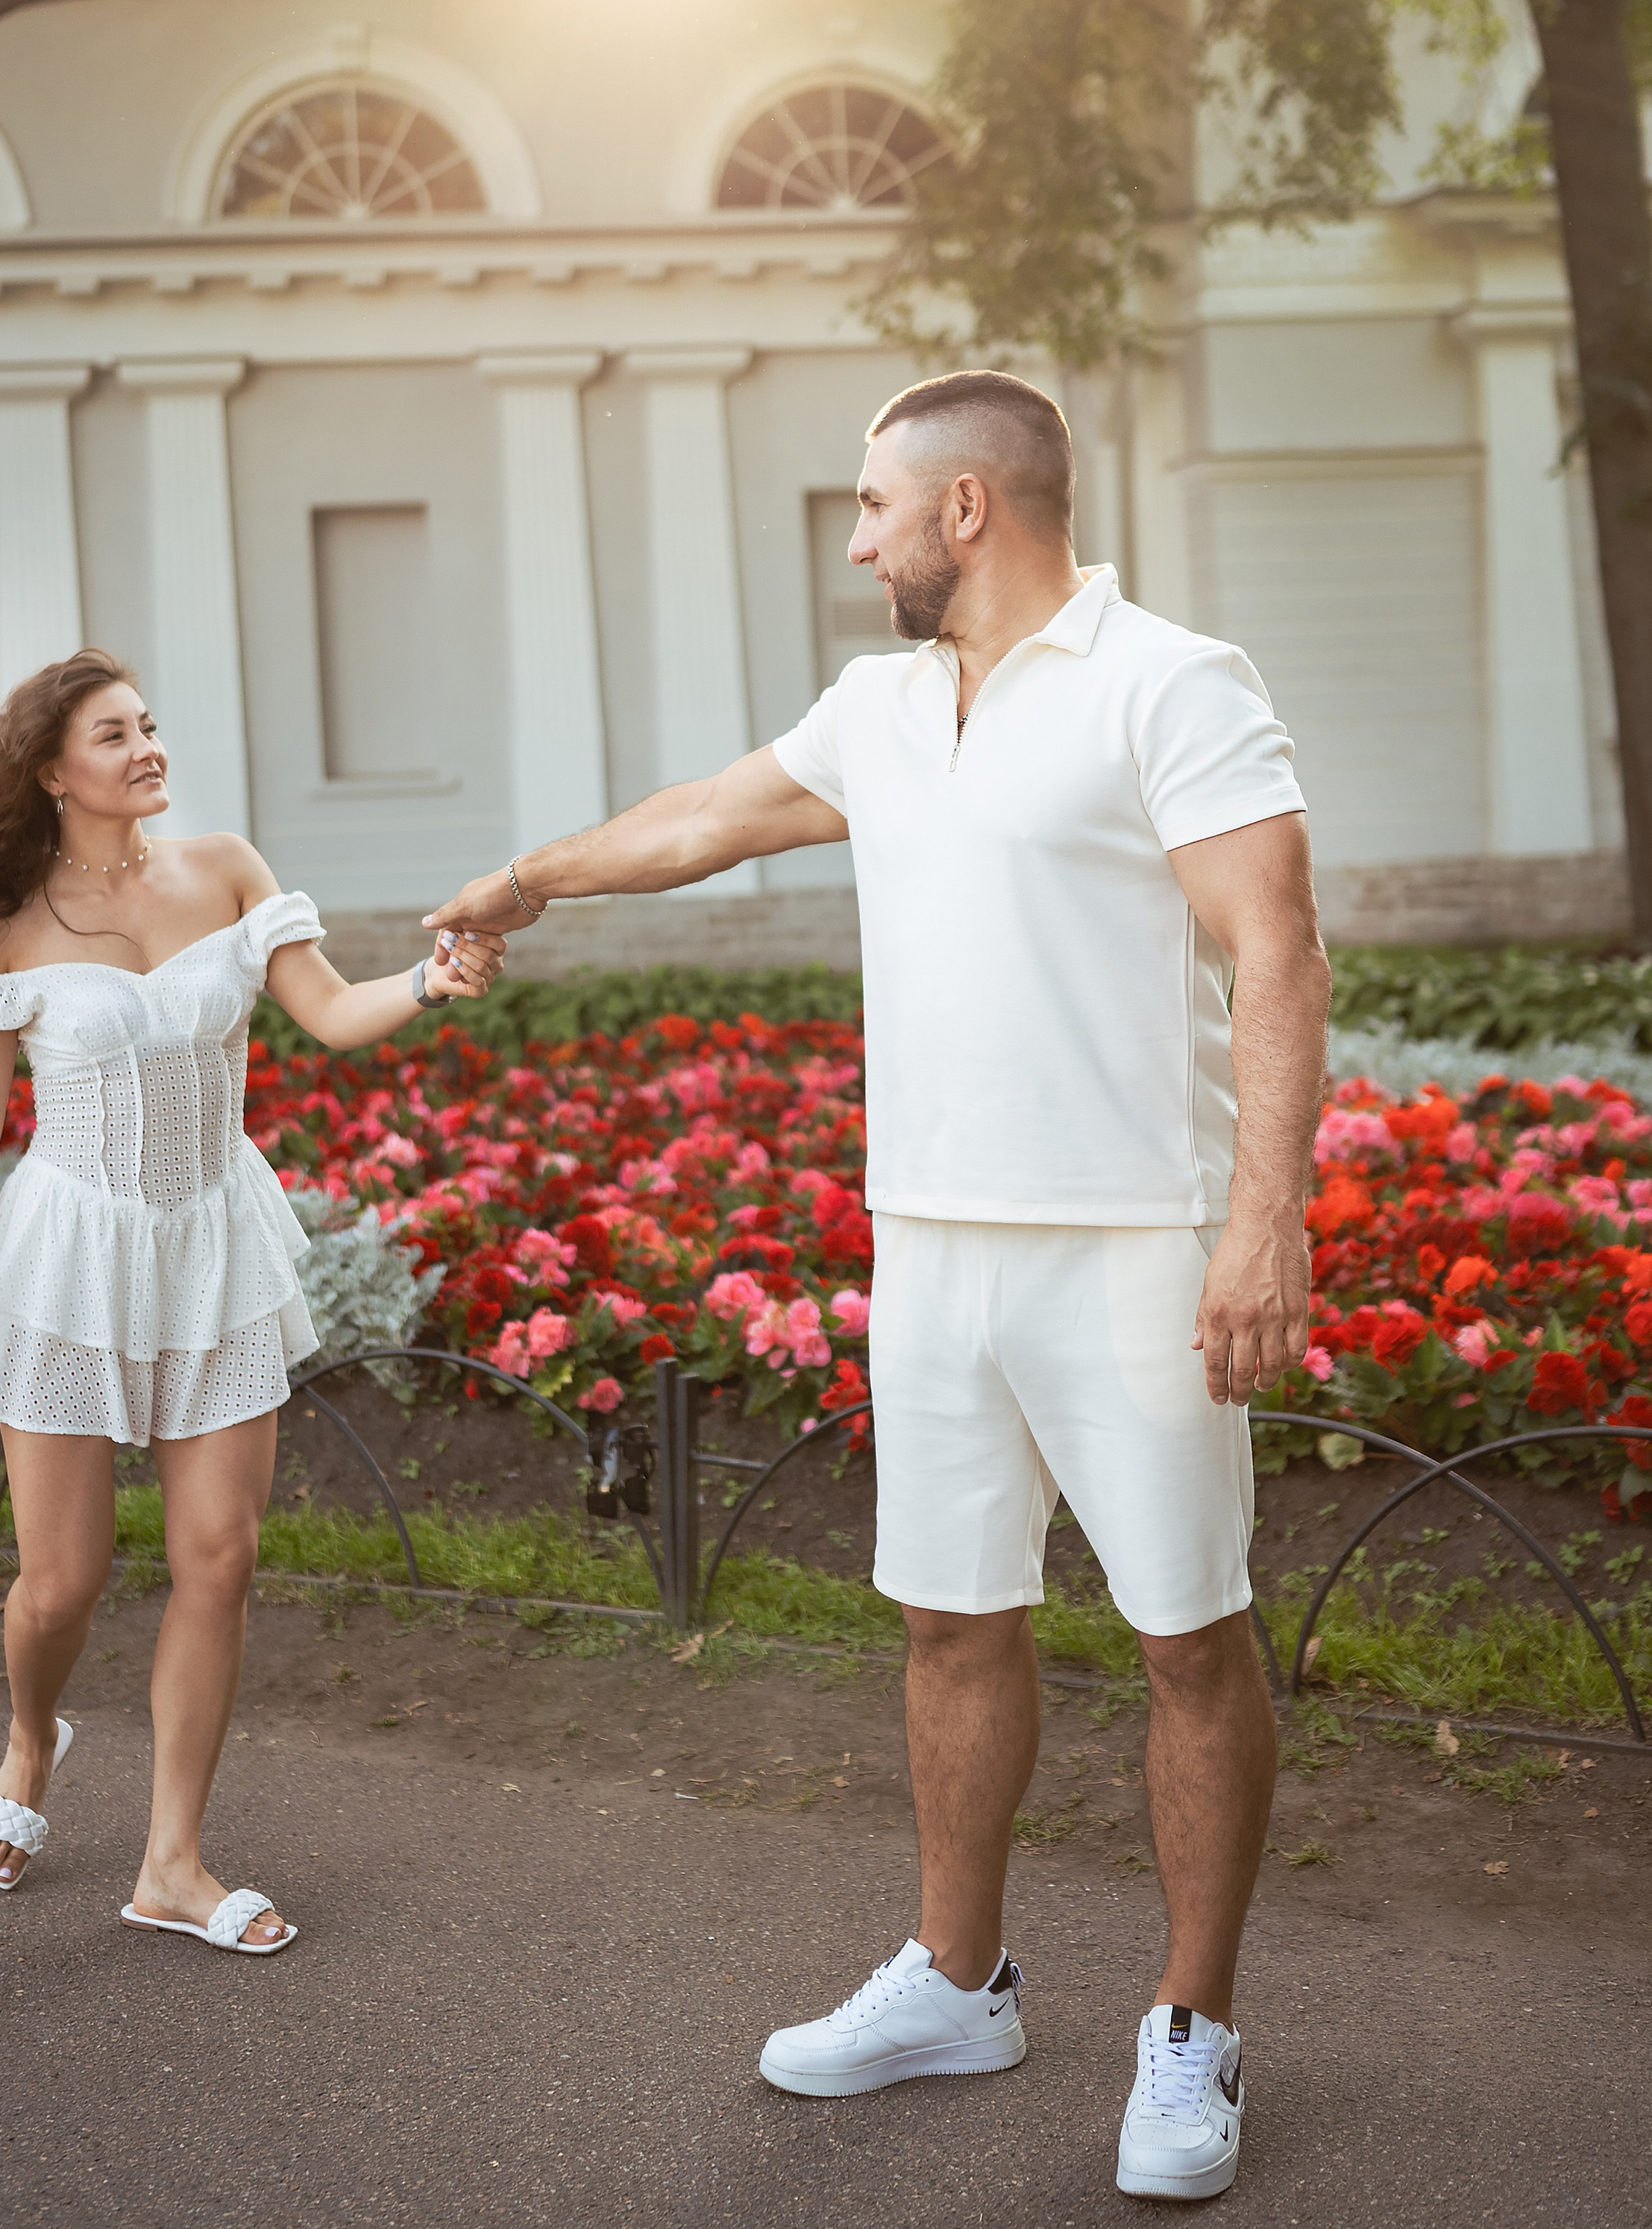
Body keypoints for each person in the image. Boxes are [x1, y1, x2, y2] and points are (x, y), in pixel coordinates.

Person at [426, 370, 1329, 2199]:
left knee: (1184, 1637)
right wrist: (527, 880)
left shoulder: (1172, 679)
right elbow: (699, 817)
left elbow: (1277, 948)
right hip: (925, 1239)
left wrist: (1261, 1226)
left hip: (1129, 1244)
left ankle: (1190, 2029)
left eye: (868, 508)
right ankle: (959, 1981)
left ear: (970, 507)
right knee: (942, 1617)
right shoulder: (881, 707)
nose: (855, 542)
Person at [0, 648, 503, 1955]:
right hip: (67, 1260)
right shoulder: (8, 924)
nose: (147, 748)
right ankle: (31, 1740)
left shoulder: (226, 868)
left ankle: (173, 1863)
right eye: (114, 735)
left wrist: (431, 981)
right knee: (62, 1585)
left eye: (149, 726)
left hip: (214, 1243)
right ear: (53, 771)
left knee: (222, 1554)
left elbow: (326, 1013)